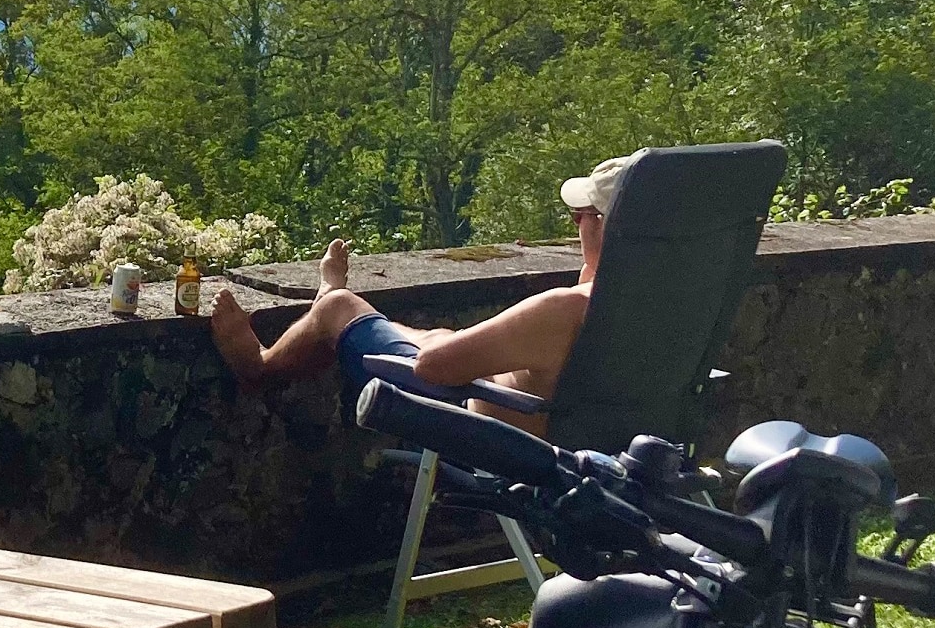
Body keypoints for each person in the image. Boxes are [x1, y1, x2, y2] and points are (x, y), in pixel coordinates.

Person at [206, 154, 635, 434]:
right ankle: (330, 303)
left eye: (582, 216)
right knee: (441, 334)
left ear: (603, 225)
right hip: (613, 455)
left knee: (345, 309)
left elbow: (433, 370)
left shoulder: (564, 310)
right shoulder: (677, 310)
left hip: (489, 428)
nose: (576, 224)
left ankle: (262, 362)